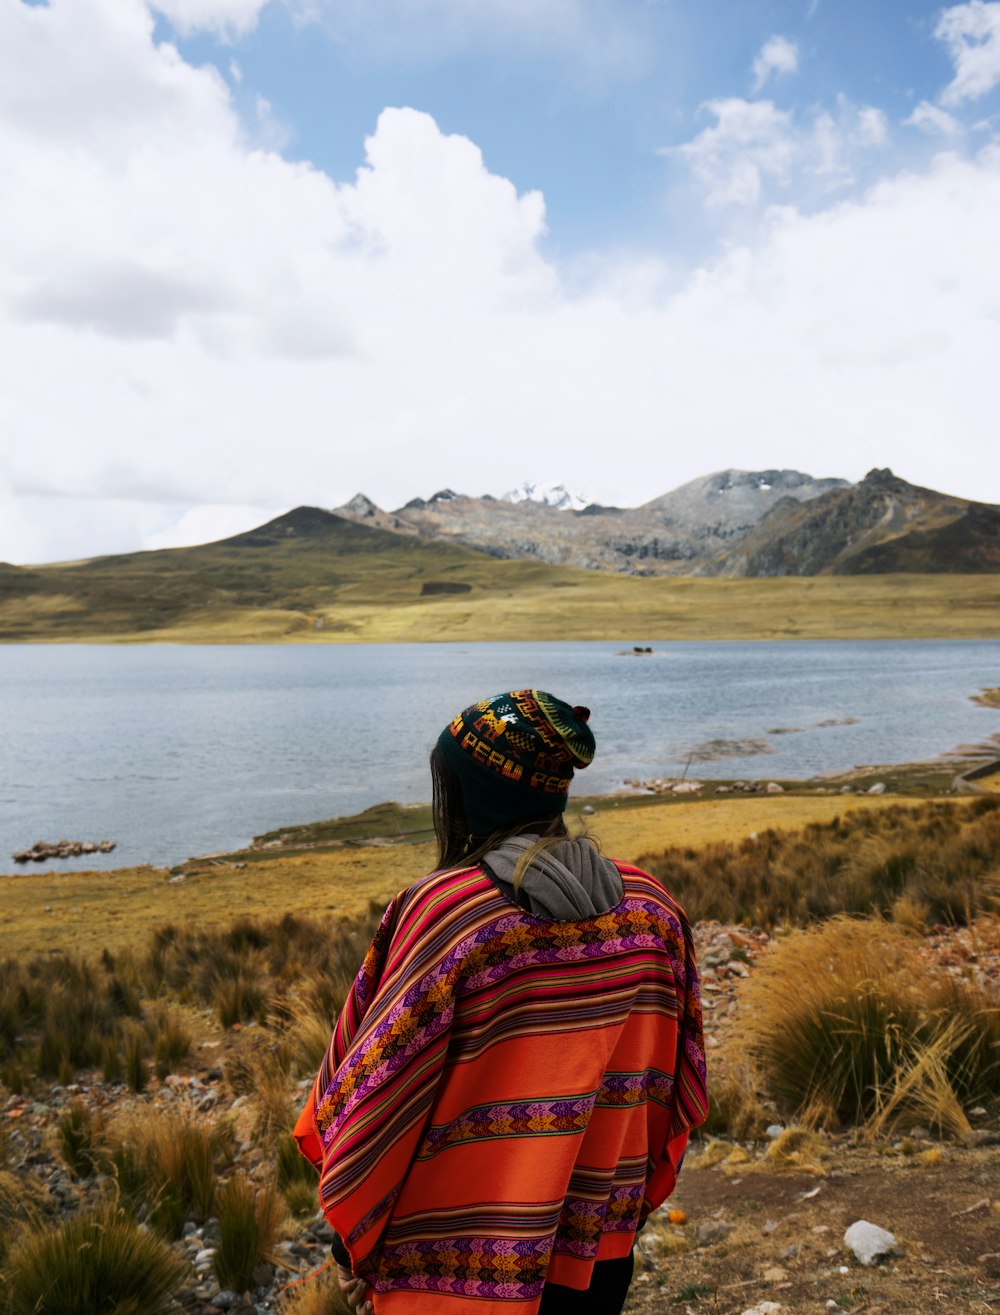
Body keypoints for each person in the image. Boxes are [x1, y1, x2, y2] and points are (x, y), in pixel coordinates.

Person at [294, 690, 707, 1315]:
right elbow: (675, 1075)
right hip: (598, 1250)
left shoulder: (450, 915)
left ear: (471, 795)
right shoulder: (653, 908)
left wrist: (351, 1246)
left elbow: (377, 1094)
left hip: (450, 1274)